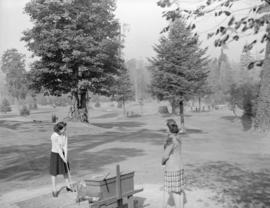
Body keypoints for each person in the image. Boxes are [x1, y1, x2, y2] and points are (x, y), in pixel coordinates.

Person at [162, 119, 186, 208]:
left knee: (171, 191)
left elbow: (165, 156)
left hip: (171, 168)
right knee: (179, 190)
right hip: (179, 166)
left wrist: (162, 162)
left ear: (169, 128)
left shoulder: (170, 139)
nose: (165, 129)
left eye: (166, 127)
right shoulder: (178, 137)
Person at [50, 121, 73, 197]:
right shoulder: (54, 136)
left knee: (65, 171)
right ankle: (54, 190)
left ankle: (68, 186)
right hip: (55, 154)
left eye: (65, 129)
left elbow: (65, 147)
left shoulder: (64, 135)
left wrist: (65, 156)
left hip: (62, 153)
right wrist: (63, 158)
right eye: (64, 129)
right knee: (54, 173)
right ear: (59, 129)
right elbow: (58, 148)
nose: (65, 130)